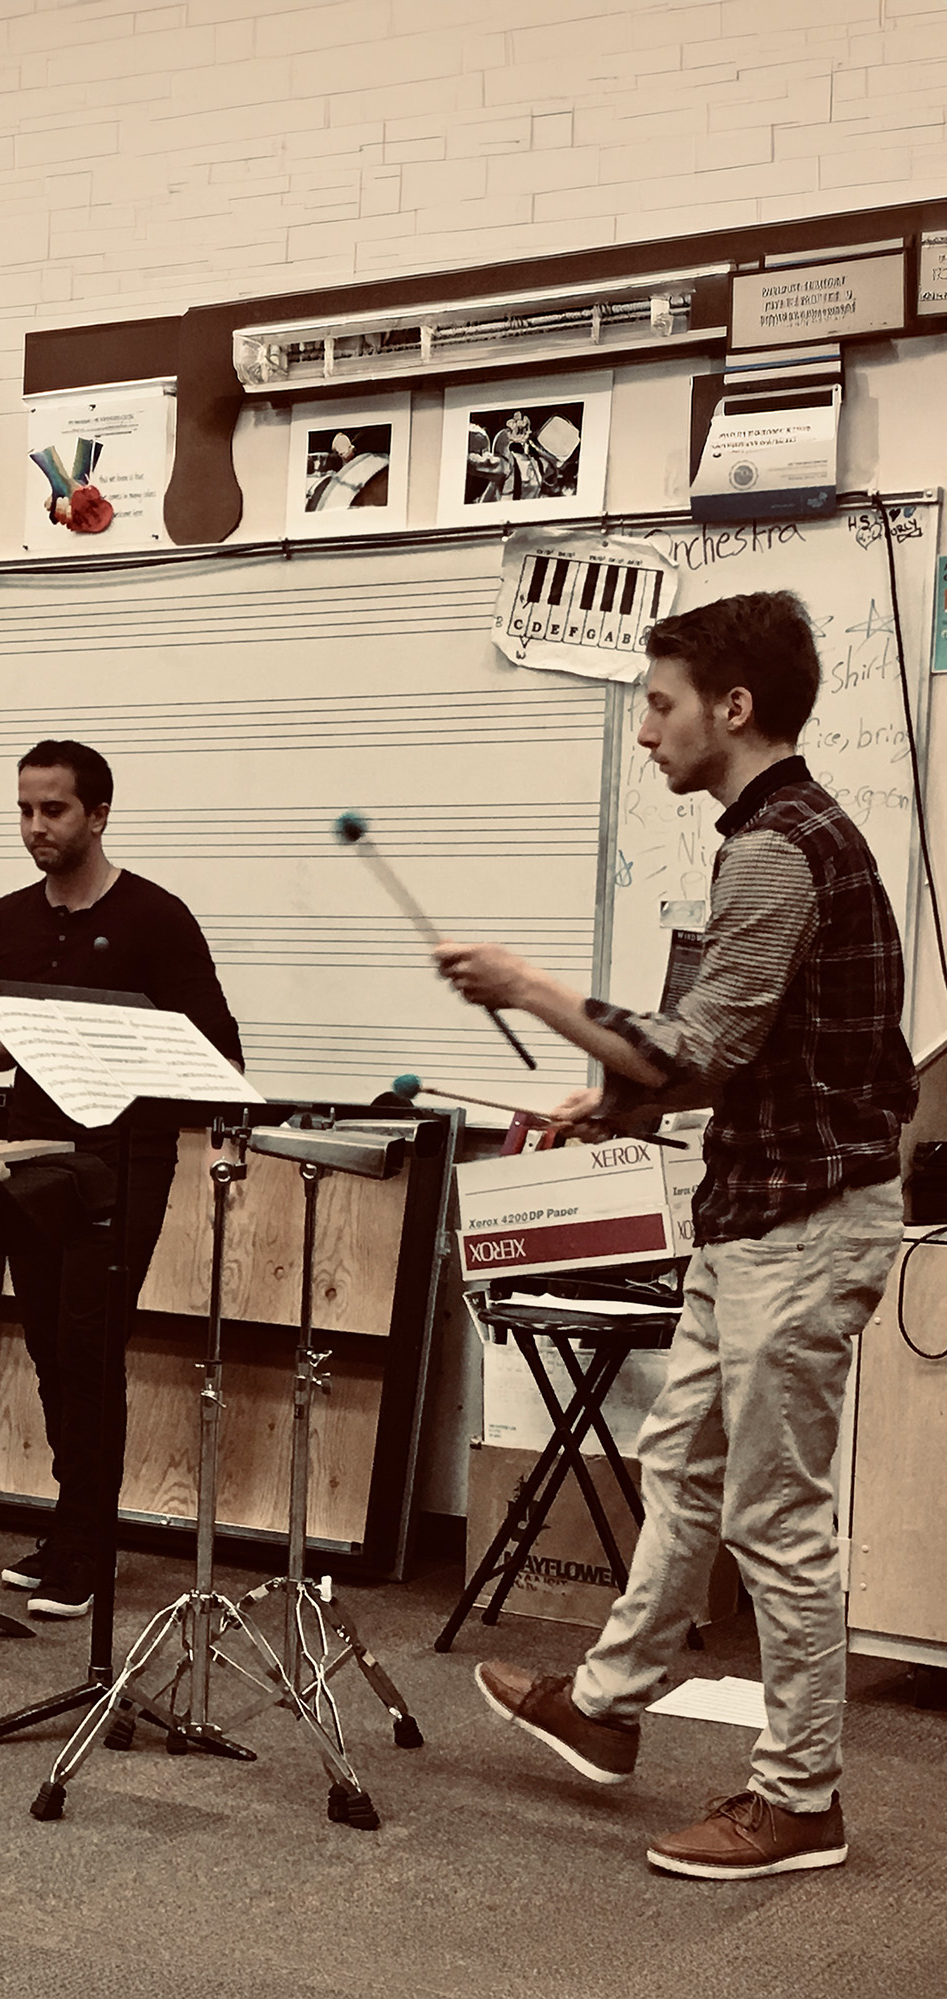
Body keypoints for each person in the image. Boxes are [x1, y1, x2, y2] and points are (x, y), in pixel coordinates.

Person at [435, 591, 914, 1880]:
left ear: (731, 707)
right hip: (757, 1210)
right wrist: (613, 1100)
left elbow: (696, 1044)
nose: (644, 732)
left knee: (775, 1517)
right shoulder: (783, 833)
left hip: (802, 1227)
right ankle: (605, 1704)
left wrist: (529, 987)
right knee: (681, 1461)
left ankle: (799, 1798)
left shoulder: (774, 848)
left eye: (657, 705)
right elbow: (751, 1051)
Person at [0, 741, 241, 1619]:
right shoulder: (8, 918)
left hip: (123, 1159)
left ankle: (87, 1544)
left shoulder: (156, 917)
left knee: (90, 1347)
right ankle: (71, 1523)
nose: (35, 826)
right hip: (32, 1154)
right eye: (25, 809)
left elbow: (220, 1052)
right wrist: (30, 1024)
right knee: (46, 1345)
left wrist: (106, 1030)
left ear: (99, 814)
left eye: (55, 809)